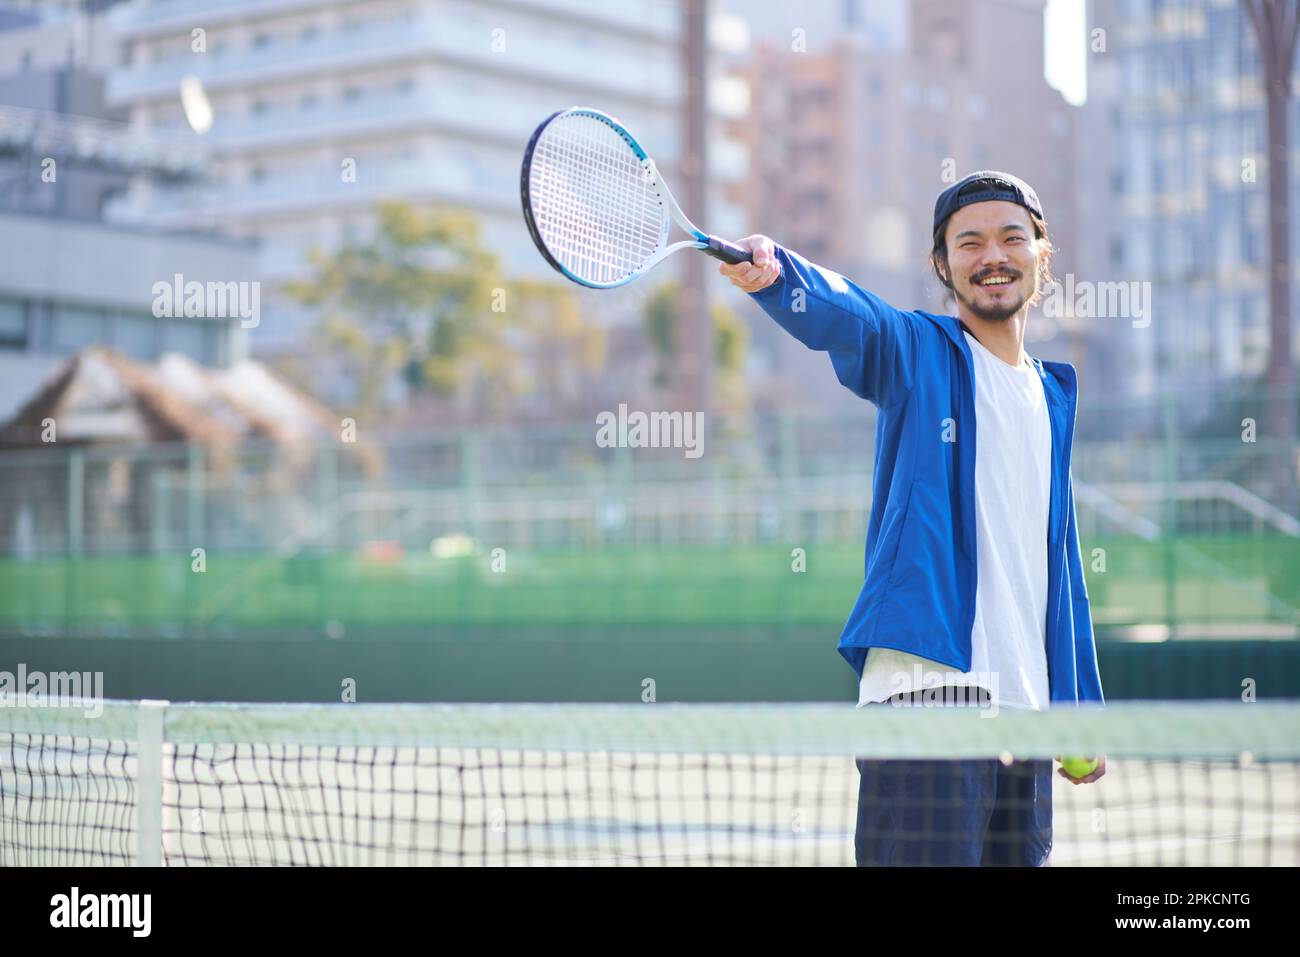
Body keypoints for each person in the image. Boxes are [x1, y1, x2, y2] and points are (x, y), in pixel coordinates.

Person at [719, 172, 1106, 866]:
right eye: (970, 242)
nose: (993, 254)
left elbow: (1059, 565)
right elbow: (854, 315)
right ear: (942, 264)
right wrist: (783, 275)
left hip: (1028, 720)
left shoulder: (1052, 397)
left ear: (1044, 253)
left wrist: (1078, 709)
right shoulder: (915, 353)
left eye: (1012, 237)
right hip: (927, 701)